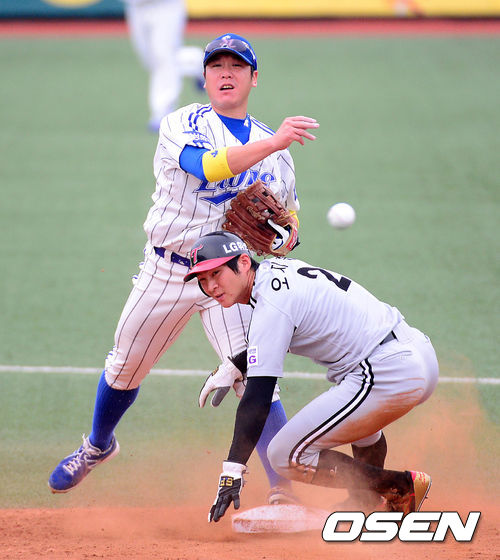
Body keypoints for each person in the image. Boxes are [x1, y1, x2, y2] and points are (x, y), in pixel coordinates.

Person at [48, 33, 319, 506]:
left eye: (237, 66)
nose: (226, 73)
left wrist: (287, 234)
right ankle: (98, 445)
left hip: (230, 280)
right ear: (205, 78)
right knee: (125, 367)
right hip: (168, 269)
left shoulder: (278, 152)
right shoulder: (183, 123)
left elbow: (289, 213)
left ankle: (283, 491)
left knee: (254, 374)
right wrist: (273, 142)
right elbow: (209, 166)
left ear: (254, 78)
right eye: (216, 66)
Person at [181, 231, 439, 522]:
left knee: (284, 455)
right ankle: (365, 501)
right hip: (415, 354)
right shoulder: (278, 273)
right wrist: (236, 365)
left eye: (216, 273)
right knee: (360, 419)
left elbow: (258, 398)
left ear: (242, 262)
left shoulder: (270, 303)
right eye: (203, 279)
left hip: (388, 372)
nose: (211, 286)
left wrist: (233, 469)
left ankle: (400, 487)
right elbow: (280, 330)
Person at [122, 0, 206, 132]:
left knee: (163, 58)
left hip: (165, 7)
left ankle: (163, 112)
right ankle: (195, 61)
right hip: (136, 7)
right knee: (151, 60)